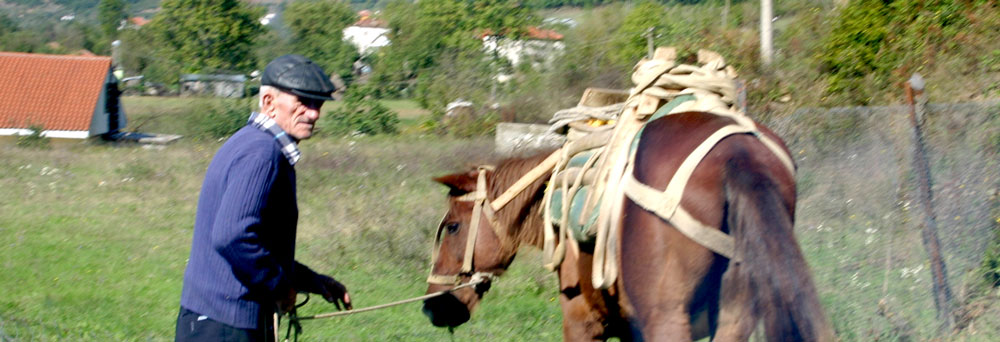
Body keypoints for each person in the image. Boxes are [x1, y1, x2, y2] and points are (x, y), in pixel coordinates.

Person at [176, 54, 351, 342]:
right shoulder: (262, 153)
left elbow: (259, 243)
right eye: (303, 102)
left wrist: (312, 281)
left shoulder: (249, 142)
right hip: (227, 325)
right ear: (269, 102)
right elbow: (233, 236)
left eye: (317, 104)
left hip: (215, 320)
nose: (314, 113)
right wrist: (280, 288)